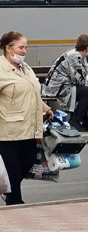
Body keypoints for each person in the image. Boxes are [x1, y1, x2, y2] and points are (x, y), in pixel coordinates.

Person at [0, 30, 53, 205]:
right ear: (8, 48)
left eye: (26, 48)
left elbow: (33, 94)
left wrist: (46, 109)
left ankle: (11, 194)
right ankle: (15, 202)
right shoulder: (1, 69)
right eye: (21, 47)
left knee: (28, 162)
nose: (24, 51)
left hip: (30, 128)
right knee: (12, 170)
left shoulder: (26, 68)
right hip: (8, 131)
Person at [43, 34, 88, 131]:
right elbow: (78, 80)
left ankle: (84, 121)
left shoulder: (76, 54)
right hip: (57, 87)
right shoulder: (75, 58)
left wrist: (86, 67)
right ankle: (75, 122)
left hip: (61, 85)